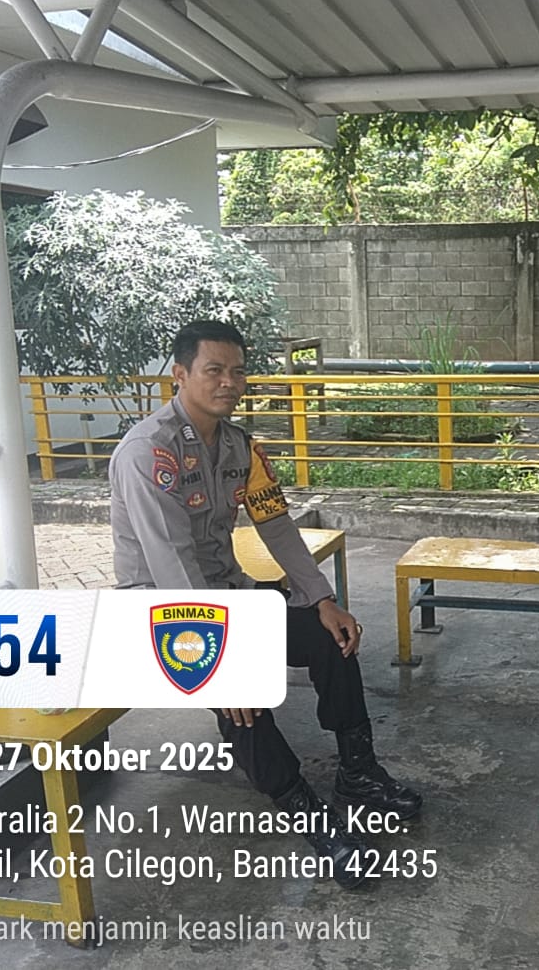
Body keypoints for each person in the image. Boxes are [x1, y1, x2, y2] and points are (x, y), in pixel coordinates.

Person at [109, 321, 421, 890]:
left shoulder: (239, 446)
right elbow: (173, 567)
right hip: (163, 612)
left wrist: (321, 598)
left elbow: (275, 525)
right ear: (180, 375)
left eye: (237, 371)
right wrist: (219, 666)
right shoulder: (147, 454)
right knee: (241, 699)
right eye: (214, 370)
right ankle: (308, 814)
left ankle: (358, 773)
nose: (228, 382)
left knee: (331, 637)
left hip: (229, 595)